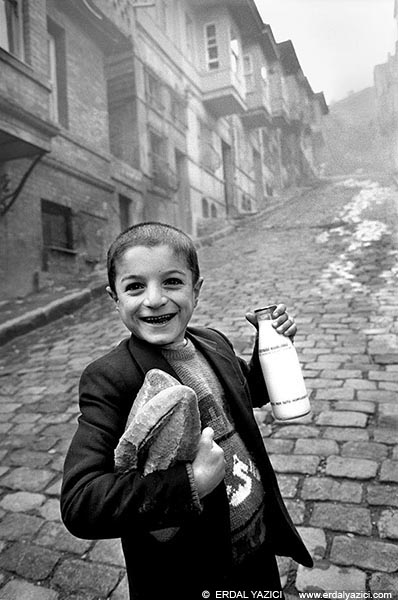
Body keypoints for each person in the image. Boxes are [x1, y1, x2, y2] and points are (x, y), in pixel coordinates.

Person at [61, 222, 313, 600]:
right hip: (190, 574)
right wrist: (189, 483)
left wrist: (271, 347)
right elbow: (81, 501)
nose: (155, 299)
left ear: (196, 289)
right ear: (115, 298)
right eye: (135, 287)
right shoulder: (111, 378)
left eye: (172, 282)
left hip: (255, 549)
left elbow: (249, 394)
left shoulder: (213, 342)